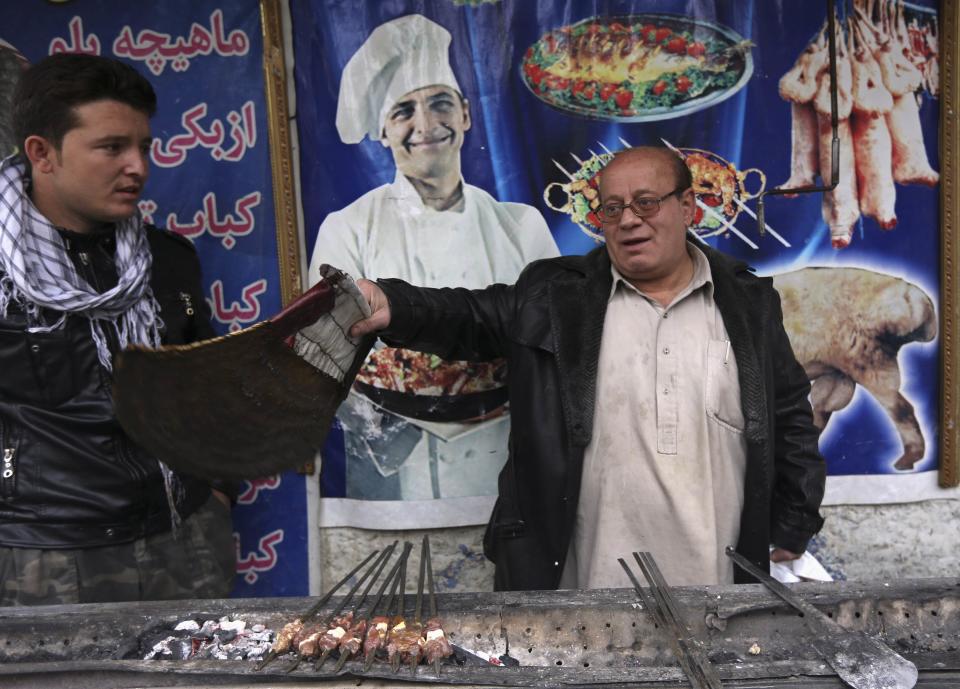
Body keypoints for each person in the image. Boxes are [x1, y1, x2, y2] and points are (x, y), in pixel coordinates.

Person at [349, 146, 827, 590]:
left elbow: (789, 415)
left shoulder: (749, 304)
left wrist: (795, 519)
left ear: (687, 207)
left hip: (716, 577)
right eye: (613, 209)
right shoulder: (555, 298)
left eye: (646, 203)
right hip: (581, 584)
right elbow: (469, 315)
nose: (628, 221)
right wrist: (392, 302)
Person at [0, 54, 234, 605]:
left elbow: (205, 387)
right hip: (43, 557)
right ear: (42, 153)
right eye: (112, 148)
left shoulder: (167, 260)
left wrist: (217, 494)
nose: (138, 167)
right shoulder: (5, 276)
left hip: (184, 540)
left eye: (144, 148)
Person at [308, 14, 558, 505]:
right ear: (382, 131)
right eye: (403, 111)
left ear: (465, 113)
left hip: (510, 446)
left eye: (440, 103)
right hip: (389, 455)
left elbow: (552, 338)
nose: (426, 125)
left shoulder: (520, 224)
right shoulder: (348, 227)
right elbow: (327, 350)